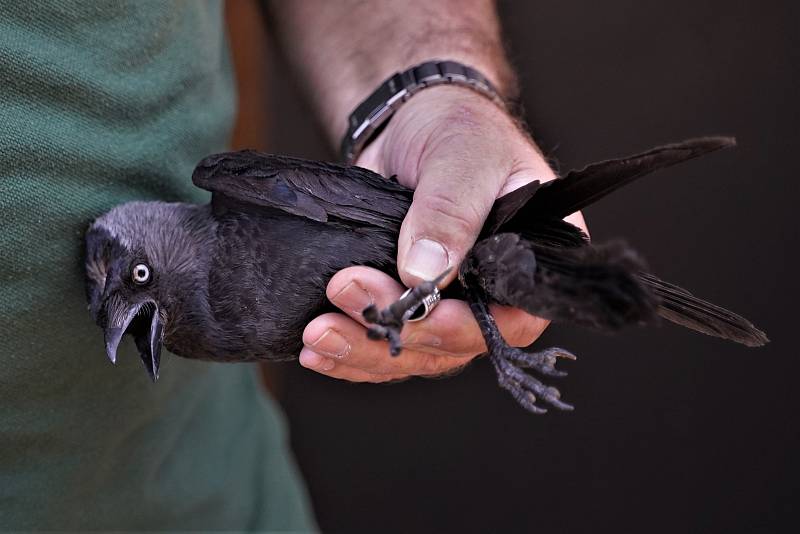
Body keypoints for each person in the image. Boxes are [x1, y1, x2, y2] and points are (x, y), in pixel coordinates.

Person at [0, 0, 584, 530]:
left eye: (140, 280)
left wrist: (432, 95)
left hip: (207, 504)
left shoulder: (232, 204)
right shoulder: (193, 325)